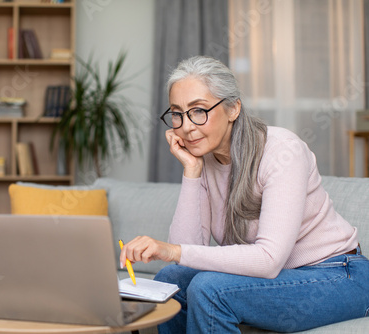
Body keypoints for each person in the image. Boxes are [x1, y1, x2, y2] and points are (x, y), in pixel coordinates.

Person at [119, 56, 369, 333]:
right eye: (177, 114)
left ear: (233, 109)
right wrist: (192, 170)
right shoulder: (205, 159)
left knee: (209, 289)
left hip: (336, 274)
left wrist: (172, 250)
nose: (187, 126)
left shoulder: (281, 151)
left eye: (199, 110)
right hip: (282, 277)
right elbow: (186, 249)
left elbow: (268, 259)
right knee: (170, 278)